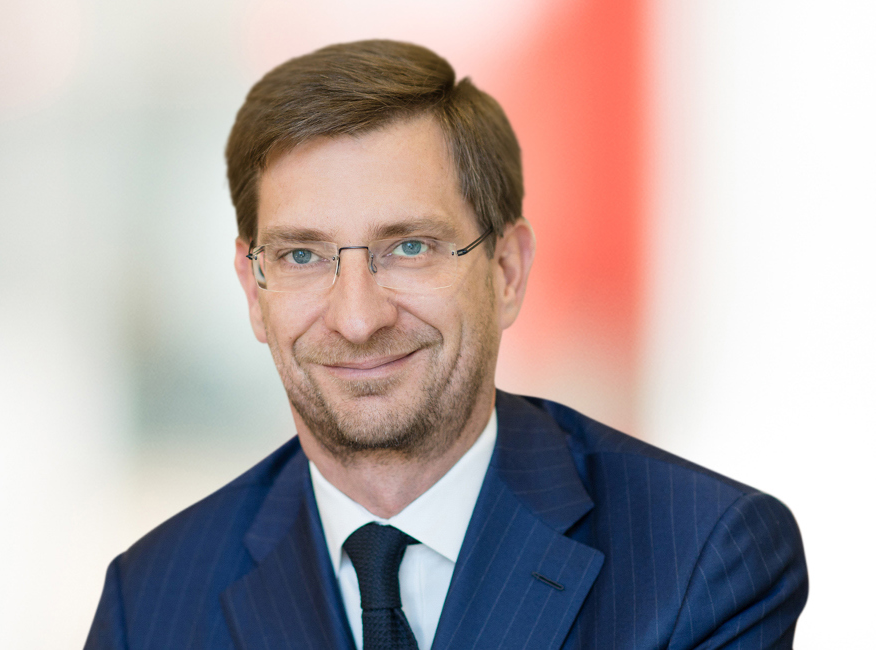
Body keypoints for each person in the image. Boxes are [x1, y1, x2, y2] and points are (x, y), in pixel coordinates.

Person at [84, 39, 807, 650]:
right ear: (253, 289)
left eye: (409, 247)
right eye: (303, 255)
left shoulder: (700, 558)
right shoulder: (149, 604)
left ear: (507, 270)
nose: (358, 319)